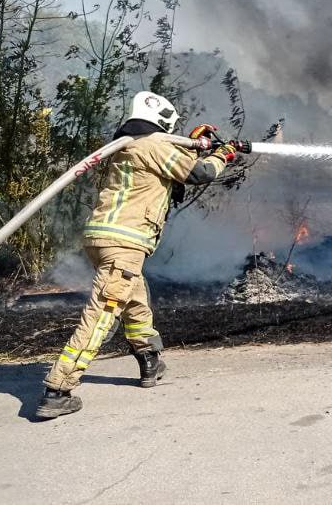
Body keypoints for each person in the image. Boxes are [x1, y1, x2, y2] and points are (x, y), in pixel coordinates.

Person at [35, 91, 238, 419]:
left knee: (134, 301)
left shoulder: (129, 146)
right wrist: (223, 154)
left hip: (104, 237)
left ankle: (150, 362)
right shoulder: (153, 145)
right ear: (163, 123)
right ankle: (58, 389)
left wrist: (188, 143)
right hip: (125, 241)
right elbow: (200, 174)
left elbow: (166, 173)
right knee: (103, 312)